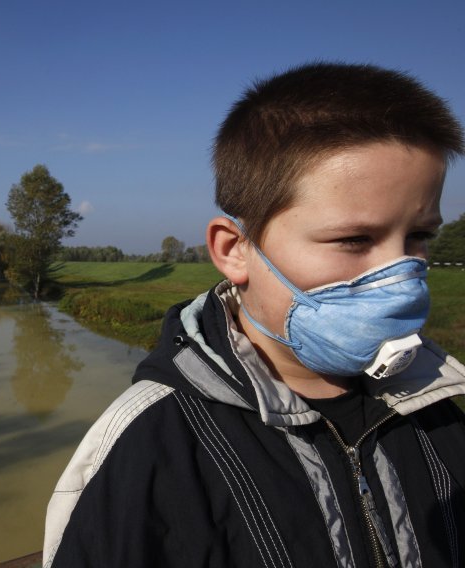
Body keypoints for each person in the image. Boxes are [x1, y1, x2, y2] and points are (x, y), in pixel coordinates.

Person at [42, 62, 465, 568]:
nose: (400, 275)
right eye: (354, 239)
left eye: (419, 236)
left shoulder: (437, 404)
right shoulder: (146, 450)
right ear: (235, 250)